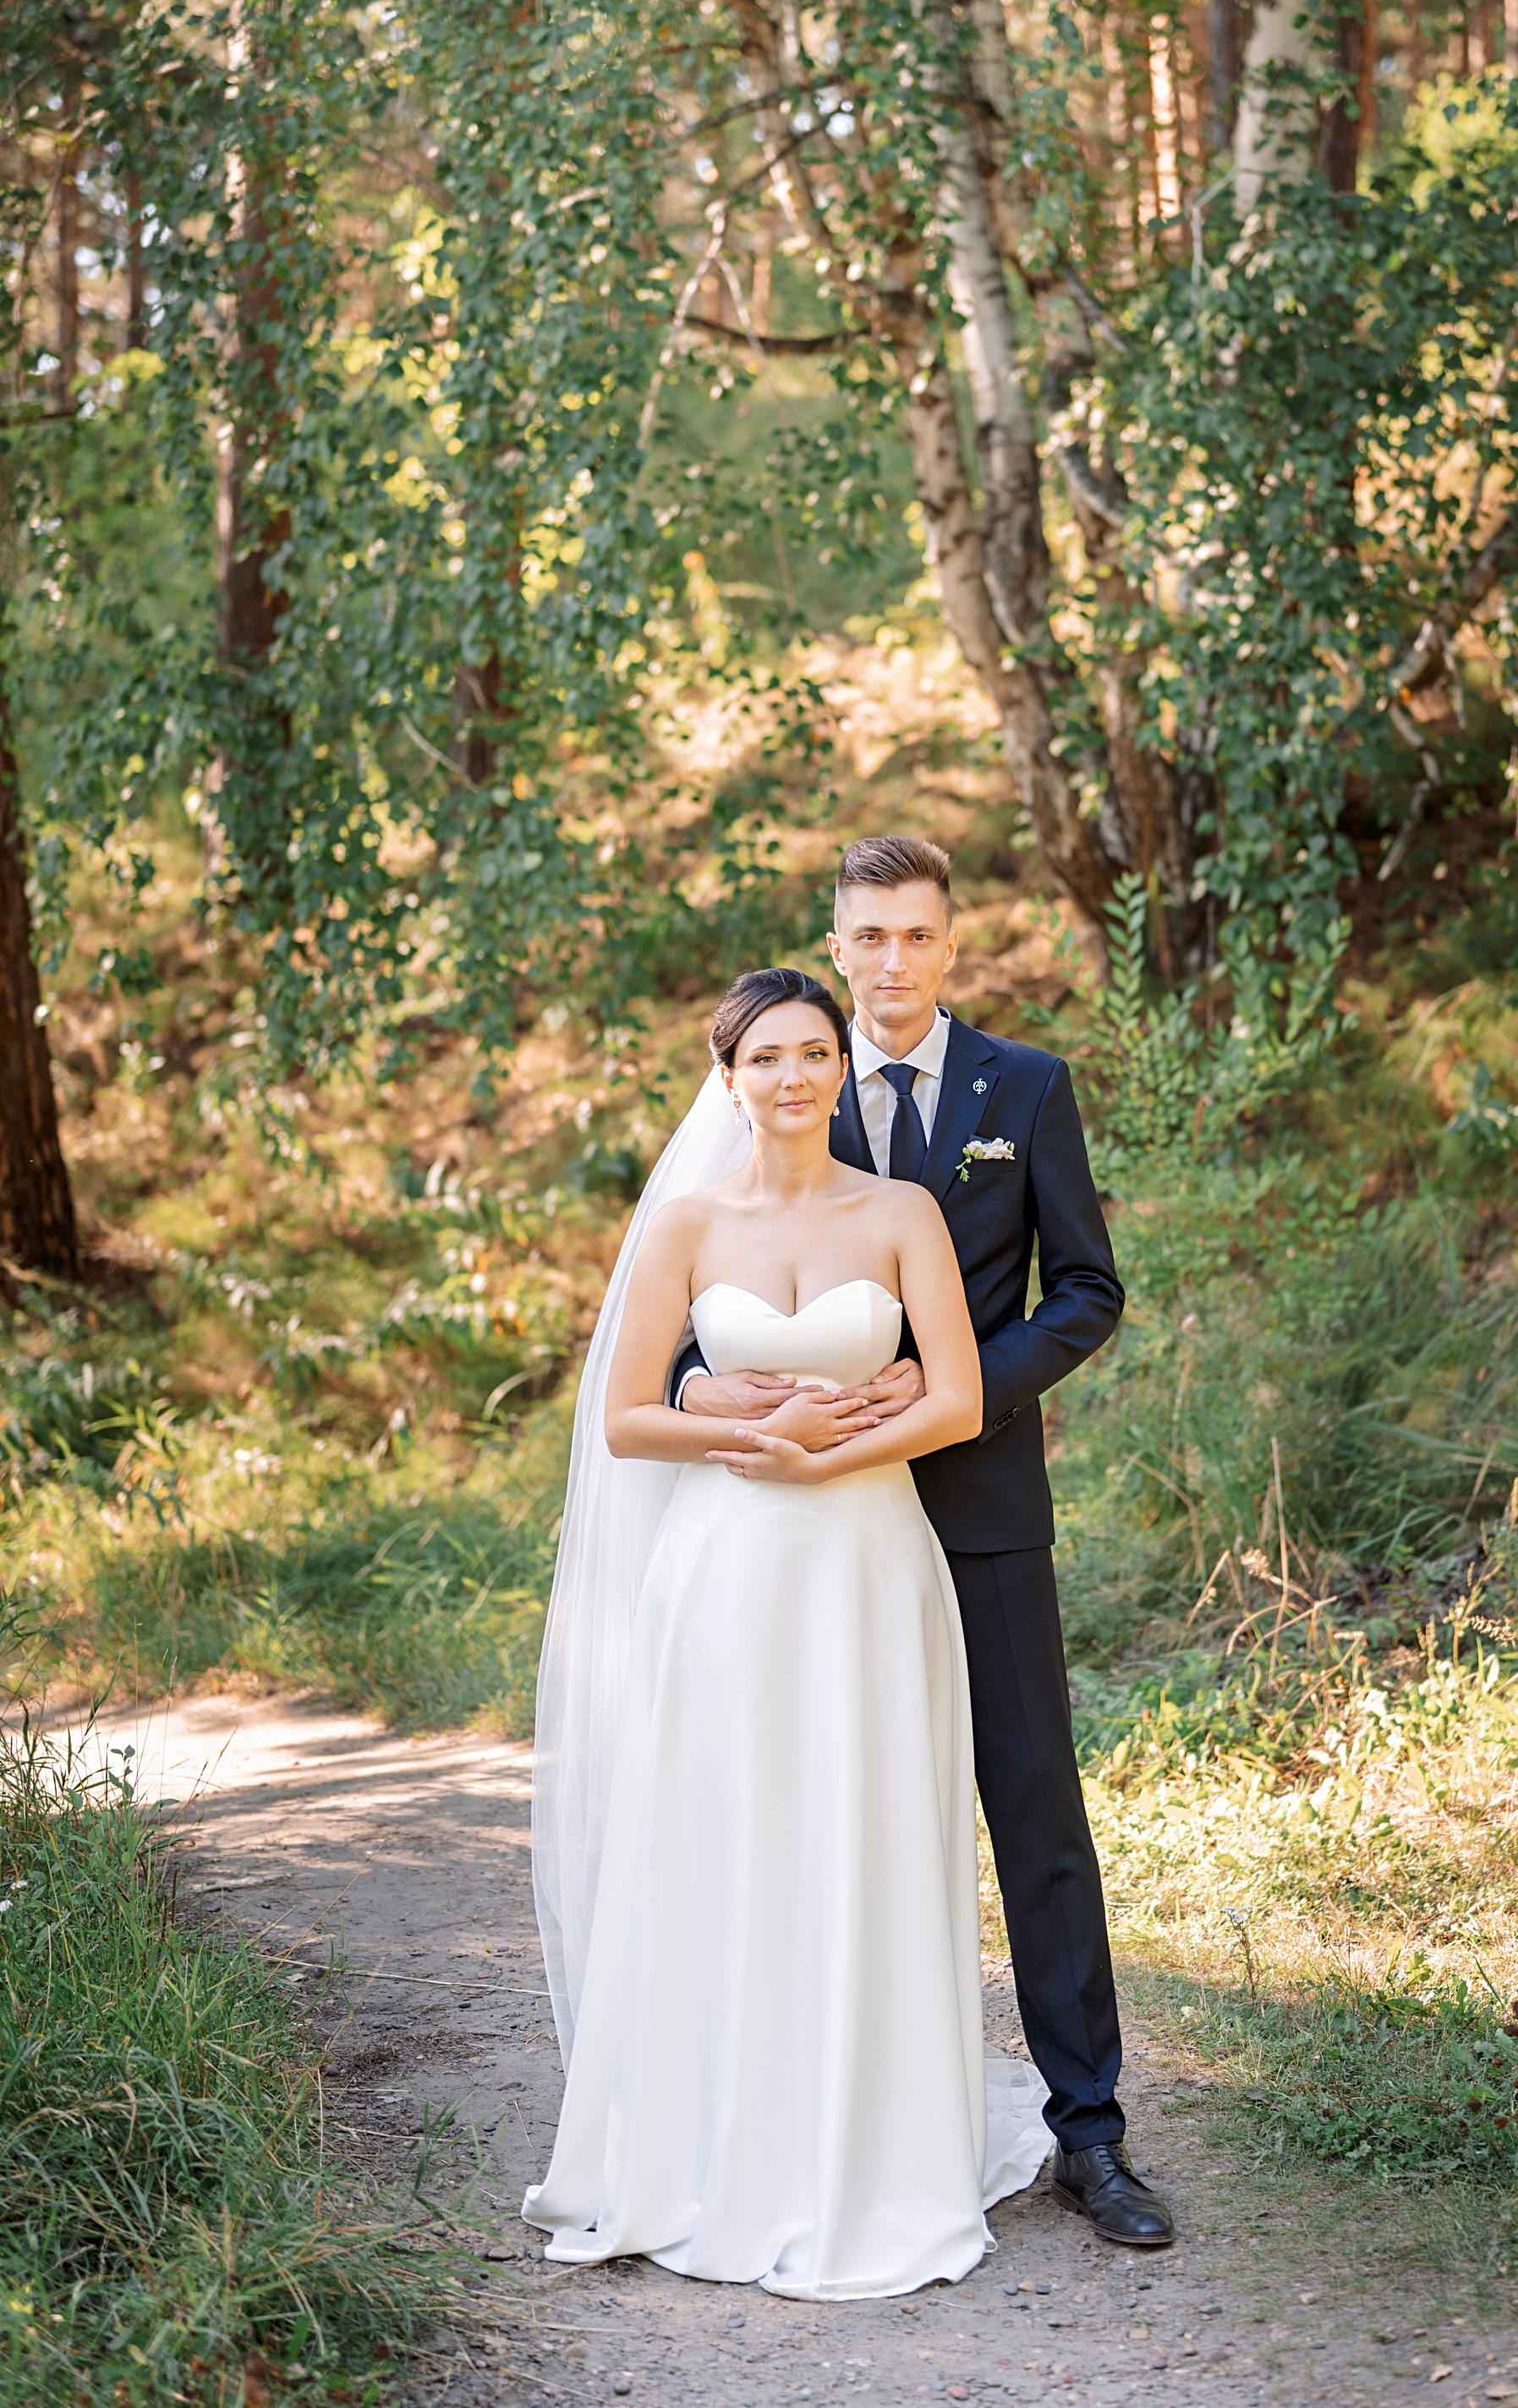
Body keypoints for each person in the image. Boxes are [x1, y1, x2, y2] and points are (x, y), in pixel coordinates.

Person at [671, 835, 1175, 2251]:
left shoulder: (1025, 1091)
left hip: (980, 1510)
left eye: (917, 935)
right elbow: (676, 1318)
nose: (891, 961)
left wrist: (962, 1389)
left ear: (951, 945)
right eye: (867, 937)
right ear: (834, 946)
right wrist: (705, 1393)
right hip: (811, 1532)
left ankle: (1091, 2137)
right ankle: (821, 2127)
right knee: (823, 1827)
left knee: (1034, 1817)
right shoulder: (785, 1089)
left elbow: (1085, 1288)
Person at [526, 964, 1055, 2298]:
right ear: (728, 1077)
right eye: (766, 1057)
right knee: (728, 1832)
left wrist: (829, 1458)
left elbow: (950, 1395)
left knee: (861, 1830)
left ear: (838, 1069)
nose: (793, 1076)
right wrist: (748, 1428)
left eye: (813, 1052)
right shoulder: (687, 1226)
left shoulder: (902, 1213)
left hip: (870, 1560)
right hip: (726, 1571)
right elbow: (629, 1418)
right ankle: (717, 2141)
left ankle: (868, 2147)